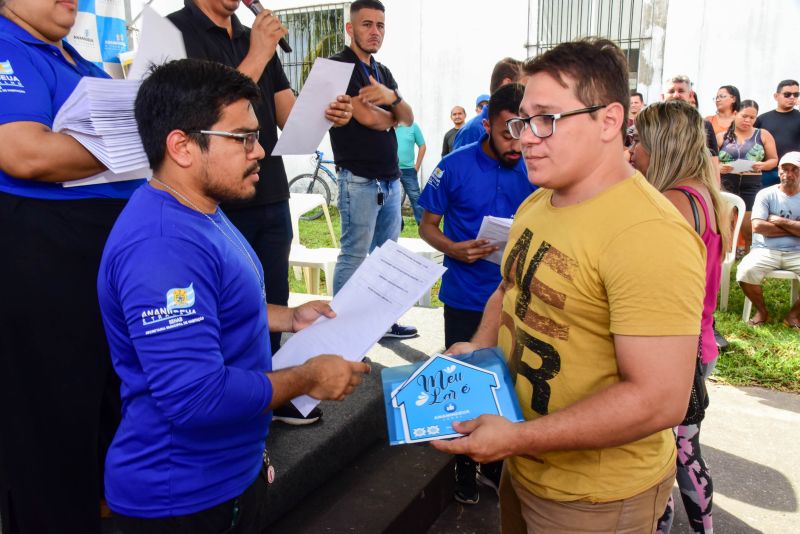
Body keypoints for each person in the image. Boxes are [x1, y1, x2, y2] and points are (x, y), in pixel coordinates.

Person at [432, 38, 706, 533]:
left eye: (546, 120)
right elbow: (510, 290)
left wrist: (516, 438)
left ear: (608, 120)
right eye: (521, 121)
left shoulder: (649, 235)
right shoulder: (540, 201)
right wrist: (477, 348)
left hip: (597, 499)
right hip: (528, 466)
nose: (525, 138)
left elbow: (659, 398)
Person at [99, 59, 370, 531]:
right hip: (182, 499)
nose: (260, 150)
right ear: (182, 146)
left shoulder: (199, 208)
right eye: (243, 138)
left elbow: (212, 306)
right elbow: (196, 397)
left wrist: (288, 318)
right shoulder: (162, 246)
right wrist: (306, 377)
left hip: (225, 476)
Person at [168, 0, 352, 425]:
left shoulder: (252, 34)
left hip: (268, 187)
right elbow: (199, 116)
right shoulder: (175, 33)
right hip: (215, 201)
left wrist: (328, 114)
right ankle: (233, 399)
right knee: (221, 304)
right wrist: (257, 54)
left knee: (273, 295)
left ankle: (273, 389)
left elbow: (287, 113)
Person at [0, 1, 147, 532]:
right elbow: (27, 155)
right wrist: (138, 144)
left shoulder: (78, 61)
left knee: (106, 404)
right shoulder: (7, 48)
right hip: (44, 255)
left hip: (102, 257)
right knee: (53, 419)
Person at [418, 83, 536, 506]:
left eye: (524, 131)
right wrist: (453, 247)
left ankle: (498, 464)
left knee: (512, 382)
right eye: (507, 132)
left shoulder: (536, 166)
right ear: (485, 124)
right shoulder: (452, 166)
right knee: (464, 385)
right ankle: (463, 469)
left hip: (521, 299)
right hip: (466, 295)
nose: (517, 143)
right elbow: (426, 225)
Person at [632, 100, 731, 534]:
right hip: (698, 342)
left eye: (638, 140)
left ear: (662, 145)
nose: (631, 150)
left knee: (673, 453)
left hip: (679, 349)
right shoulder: (704, 194)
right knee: (681, 449)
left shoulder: (672, 201)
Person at [328, 0, 417, 338]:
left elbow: (407, 118)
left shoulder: (382, 72)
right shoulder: (338, 67)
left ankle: (382, 322)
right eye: (366, 24)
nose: (374, 31)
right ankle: (342, 331)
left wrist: (390, 100)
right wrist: (391, 112)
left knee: (386, 258)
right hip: (359, 179)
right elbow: (368, 117)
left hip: (390, 180)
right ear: (350, 28)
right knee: (354, 256)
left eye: (380, 25)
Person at [737, 151, 800, 328]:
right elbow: (758, 227)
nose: (788, 174)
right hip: (765, 249)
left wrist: (780, 221)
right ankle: (762, 312)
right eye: (784, 169)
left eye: (794, 169)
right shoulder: (766, 194)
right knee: (745, 270)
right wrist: (794, 228)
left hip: (797, 251)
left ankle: (793, 316)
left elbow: (767, 226)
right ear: (779, 170)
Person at [717, 99, 778, 252]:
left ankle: (748, 255)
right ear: (735, 113)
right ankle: (725, 254)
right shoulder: (722, 136)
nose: (748, 120)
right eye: (744, 116)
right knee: (725, 222)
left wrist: (763, 165)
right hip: (727, 181)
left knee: (748, 224)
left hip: (752, 182)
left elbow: (774, 160)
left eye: (752, 117)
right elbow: (708, 161)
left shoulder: (763, 134)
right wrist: (719, 167)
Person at [452, 57, 524, 150]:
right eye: (524, 86)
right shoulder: (472, 130)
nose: (528, 92)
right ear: (508, 84)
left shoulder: (519, 125)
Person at [663, 75, 720, 167]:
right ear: (662, 96)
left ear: (690, 95)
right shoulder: (651, 124)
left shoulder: (704, 126)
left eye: (681, 91)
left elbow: (713, 163)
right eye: (671, 91)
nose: (676, 95)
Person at [755, 79, 800, 187]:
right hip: (768, 172)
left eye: (796, 94)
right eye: (787, 94)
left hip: (795, 171)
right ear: (776, 96)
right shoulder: (762, 119)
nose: (792, 97)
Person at [395, 121, 426, 224]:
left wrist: (417, 166)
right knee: (391, 200)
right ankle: (398, 226)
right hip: (390, 170)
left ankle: (424, 227)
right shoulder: (387, 124)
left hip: (408, 170)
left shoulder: (412, 126)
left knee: (416, 198)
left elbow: (422, 146)